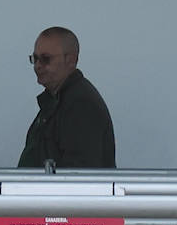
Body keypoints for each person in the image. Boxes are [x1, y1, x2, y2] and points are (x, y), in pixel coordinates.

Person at [17, 26, 115, 169]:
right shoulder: (56, 101)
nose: (37, 65)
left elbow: (79, 177)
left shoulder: (81, 106)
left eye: (45, 59)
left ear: (71, 60)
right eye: (35, 58)